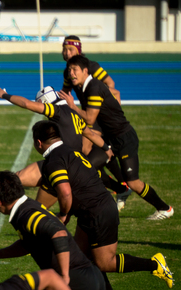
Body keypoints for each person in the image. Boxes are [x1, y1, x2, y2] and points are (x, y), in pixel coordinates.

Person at [31, 121, 173, 290]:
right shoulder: (71, 151)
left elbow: (65, 193)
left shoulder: (53, 161)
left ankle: (155, 265)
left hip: (97, 212)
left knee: (105, 263)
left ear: (38, 143)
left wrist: (64, 214)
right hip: (93, 209)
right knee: (81, 256)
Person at [0, 170, 115, 290]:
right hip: (91, 277)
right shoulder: (28, 207)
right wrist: (1, 253)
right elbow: (29, 243)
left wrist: (64, 275)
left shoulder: (26, 215)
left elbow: (58, 233)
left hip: (73, 281)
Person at [63, 55, 174, 220]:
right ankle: (121, 190)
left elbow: (90, 119)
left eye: (75, 70)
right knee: (88, 167)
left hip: (124, 138)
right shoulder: (85, 87)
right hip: (110, 139)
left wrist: (72, 107)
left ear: (85, 71)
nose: (71, 73)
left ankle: (165, 208)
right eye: (69, 70)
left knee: (133, 182)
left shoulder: (93, 87)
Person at [0, 84, 113, 209]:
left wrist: (4, 95)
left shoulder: (57, 111)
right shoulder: (74, 113)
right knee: (17, 178)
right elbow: (91, 134)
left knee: (38, 210)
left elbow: (27, 104)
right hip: (72, 163)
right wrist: (107, 149)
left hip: (62, 164)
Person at [60, 36, 131, 212]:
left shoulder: (90, 67)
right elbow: (65, 93)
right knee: (91, 153)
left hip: (95, 116)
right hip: (86, 115)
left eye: (70, 49)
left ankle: (121, 184)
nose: (67, 53)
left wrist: (104, 107)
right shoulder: (69, 72)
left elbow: (111, 85)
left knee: (86, 153)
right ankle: (122, 184)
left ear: (79, 50)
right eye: (64, 49)